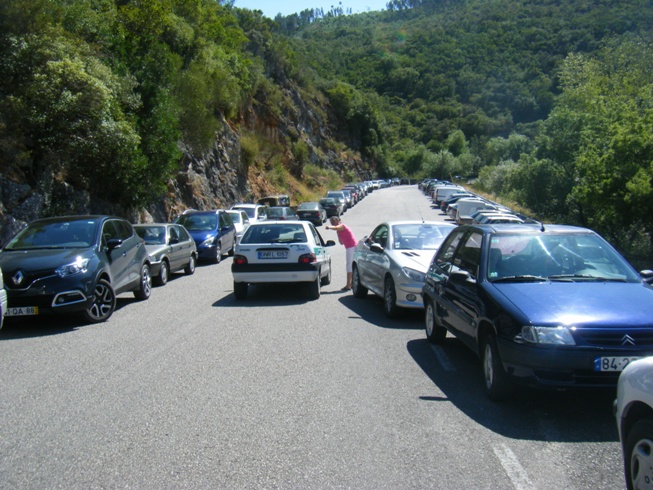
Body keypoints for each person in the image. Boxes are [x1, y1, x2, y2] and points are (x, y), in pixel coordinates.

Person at [324, 216, 357, 291]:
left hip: (351, 247)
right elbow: (341, 242)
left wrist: (329, 227)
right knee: (350, 265)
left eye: (333, 222)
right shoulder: (339, 230)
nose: (333, 223)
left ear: (338, 220)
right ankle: (350, 284)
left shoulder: (342, 226)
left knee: (349, 265)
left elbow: (336, 227)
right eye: (331, 222)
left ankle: (348, 285)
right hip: (350, 247)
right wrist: (338, 233)